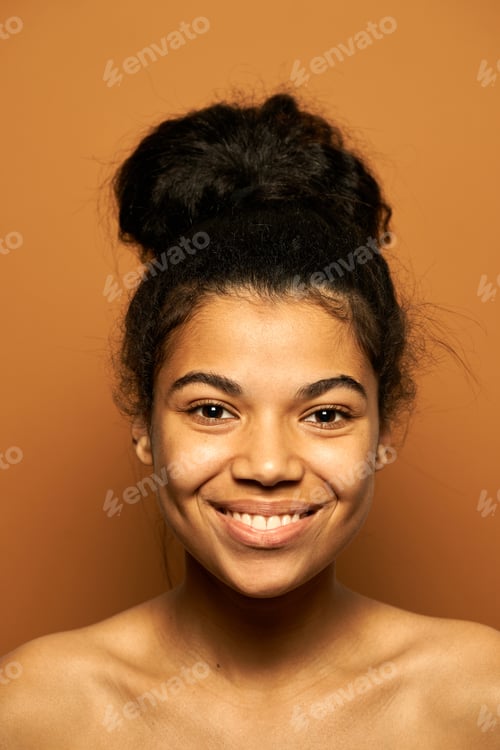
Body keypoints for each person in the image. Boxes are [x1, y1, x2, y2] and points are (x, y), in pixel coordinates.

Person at [1, 92, 499, 749]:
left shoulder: (479, 698)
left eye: (325, 413)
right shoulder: (32, 710)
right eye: (212, 410)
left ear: (382, 431)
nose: (268, 466)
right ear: (146, 427)